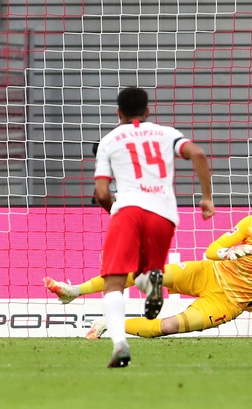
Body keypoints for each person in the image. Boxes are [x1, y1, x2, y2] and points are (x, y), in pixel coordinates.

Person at [46, 187, 252, 339]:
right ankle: (74, 291)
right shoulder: (251, 224)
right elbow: (213, 250)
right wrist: (230, 253)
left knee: (167, 327)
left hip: (227, 303)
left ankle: (110, 324)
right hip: (208, 272)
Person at [94, 86, 215, 367]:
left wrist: (114, 211)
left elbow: (101, 193)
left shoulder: (109, 140)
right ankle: (151, 283)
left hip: (128, 211)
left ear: (119, 113)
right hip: (163, 215)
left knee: (114, 282)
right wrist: (207, 198)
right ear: (147, 111)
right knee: (144, 270)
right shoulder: (166, 133)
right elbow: (197, 154)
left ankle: (120, 344)